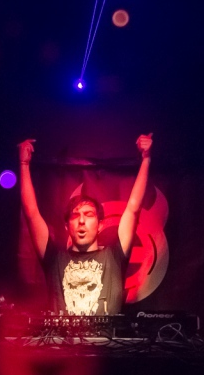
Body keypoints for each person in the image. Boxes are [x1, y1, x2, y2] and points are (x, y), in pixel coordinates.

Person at [18, 133, 153, 315]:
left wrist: (146, 159)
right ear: (67, 226)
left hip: (107, 335)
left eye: (88, 215)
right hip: (63, 335)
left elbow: (133, 208)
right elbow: (31, 213)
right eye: (75, 215)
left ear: (100, 225)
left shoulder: (114, 256)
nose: (81, 220)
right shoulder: (55, 259)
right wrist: (24, 164)